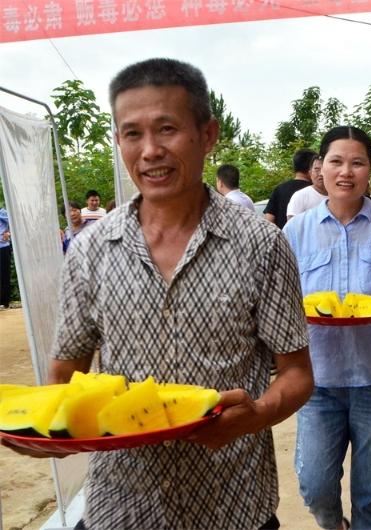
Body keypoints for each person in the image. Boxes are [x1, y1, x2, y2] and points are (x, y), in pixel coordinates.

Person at [1, 58, 314, 530]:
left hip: (233, 505)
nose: (149, 151)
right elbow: (65, 377)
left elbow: (296, 373)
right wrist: (47, 431)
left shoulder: (262, 246)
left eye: (167, 129)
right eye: (132, 133)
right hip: (121, 506)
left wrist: (257, 415)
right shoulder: (90, 250)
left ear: (207, 135)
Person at [283, 126, 371, 530]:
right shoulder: (296, 232)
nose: (347, 172)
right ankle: (334, 525)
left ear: (370, 170)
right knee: (314, 483)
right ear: (319, 169)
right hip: (318, 379)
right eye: (336, 161)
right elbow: (282, 302)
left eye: (357, 163)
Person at [264, 148, 316, 228]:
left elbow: (269, 220)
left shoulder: (279, 189)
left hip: (282, 238)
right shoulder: (317, 190)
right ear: (311, 167)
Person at [285, 156, 325, 221]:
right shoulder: (300, 195)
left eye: (324, 169)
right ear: (310, 173)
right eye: (317, 169)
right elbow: (291, 225)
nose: (321, 173)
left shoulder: (338, 195)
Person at [0, 206, 10, 308]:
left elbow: (14, 222)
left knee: (4, 275)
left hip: (2, 247)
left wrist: (9, 233)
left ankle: (4, 302)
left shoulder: (2, 212)